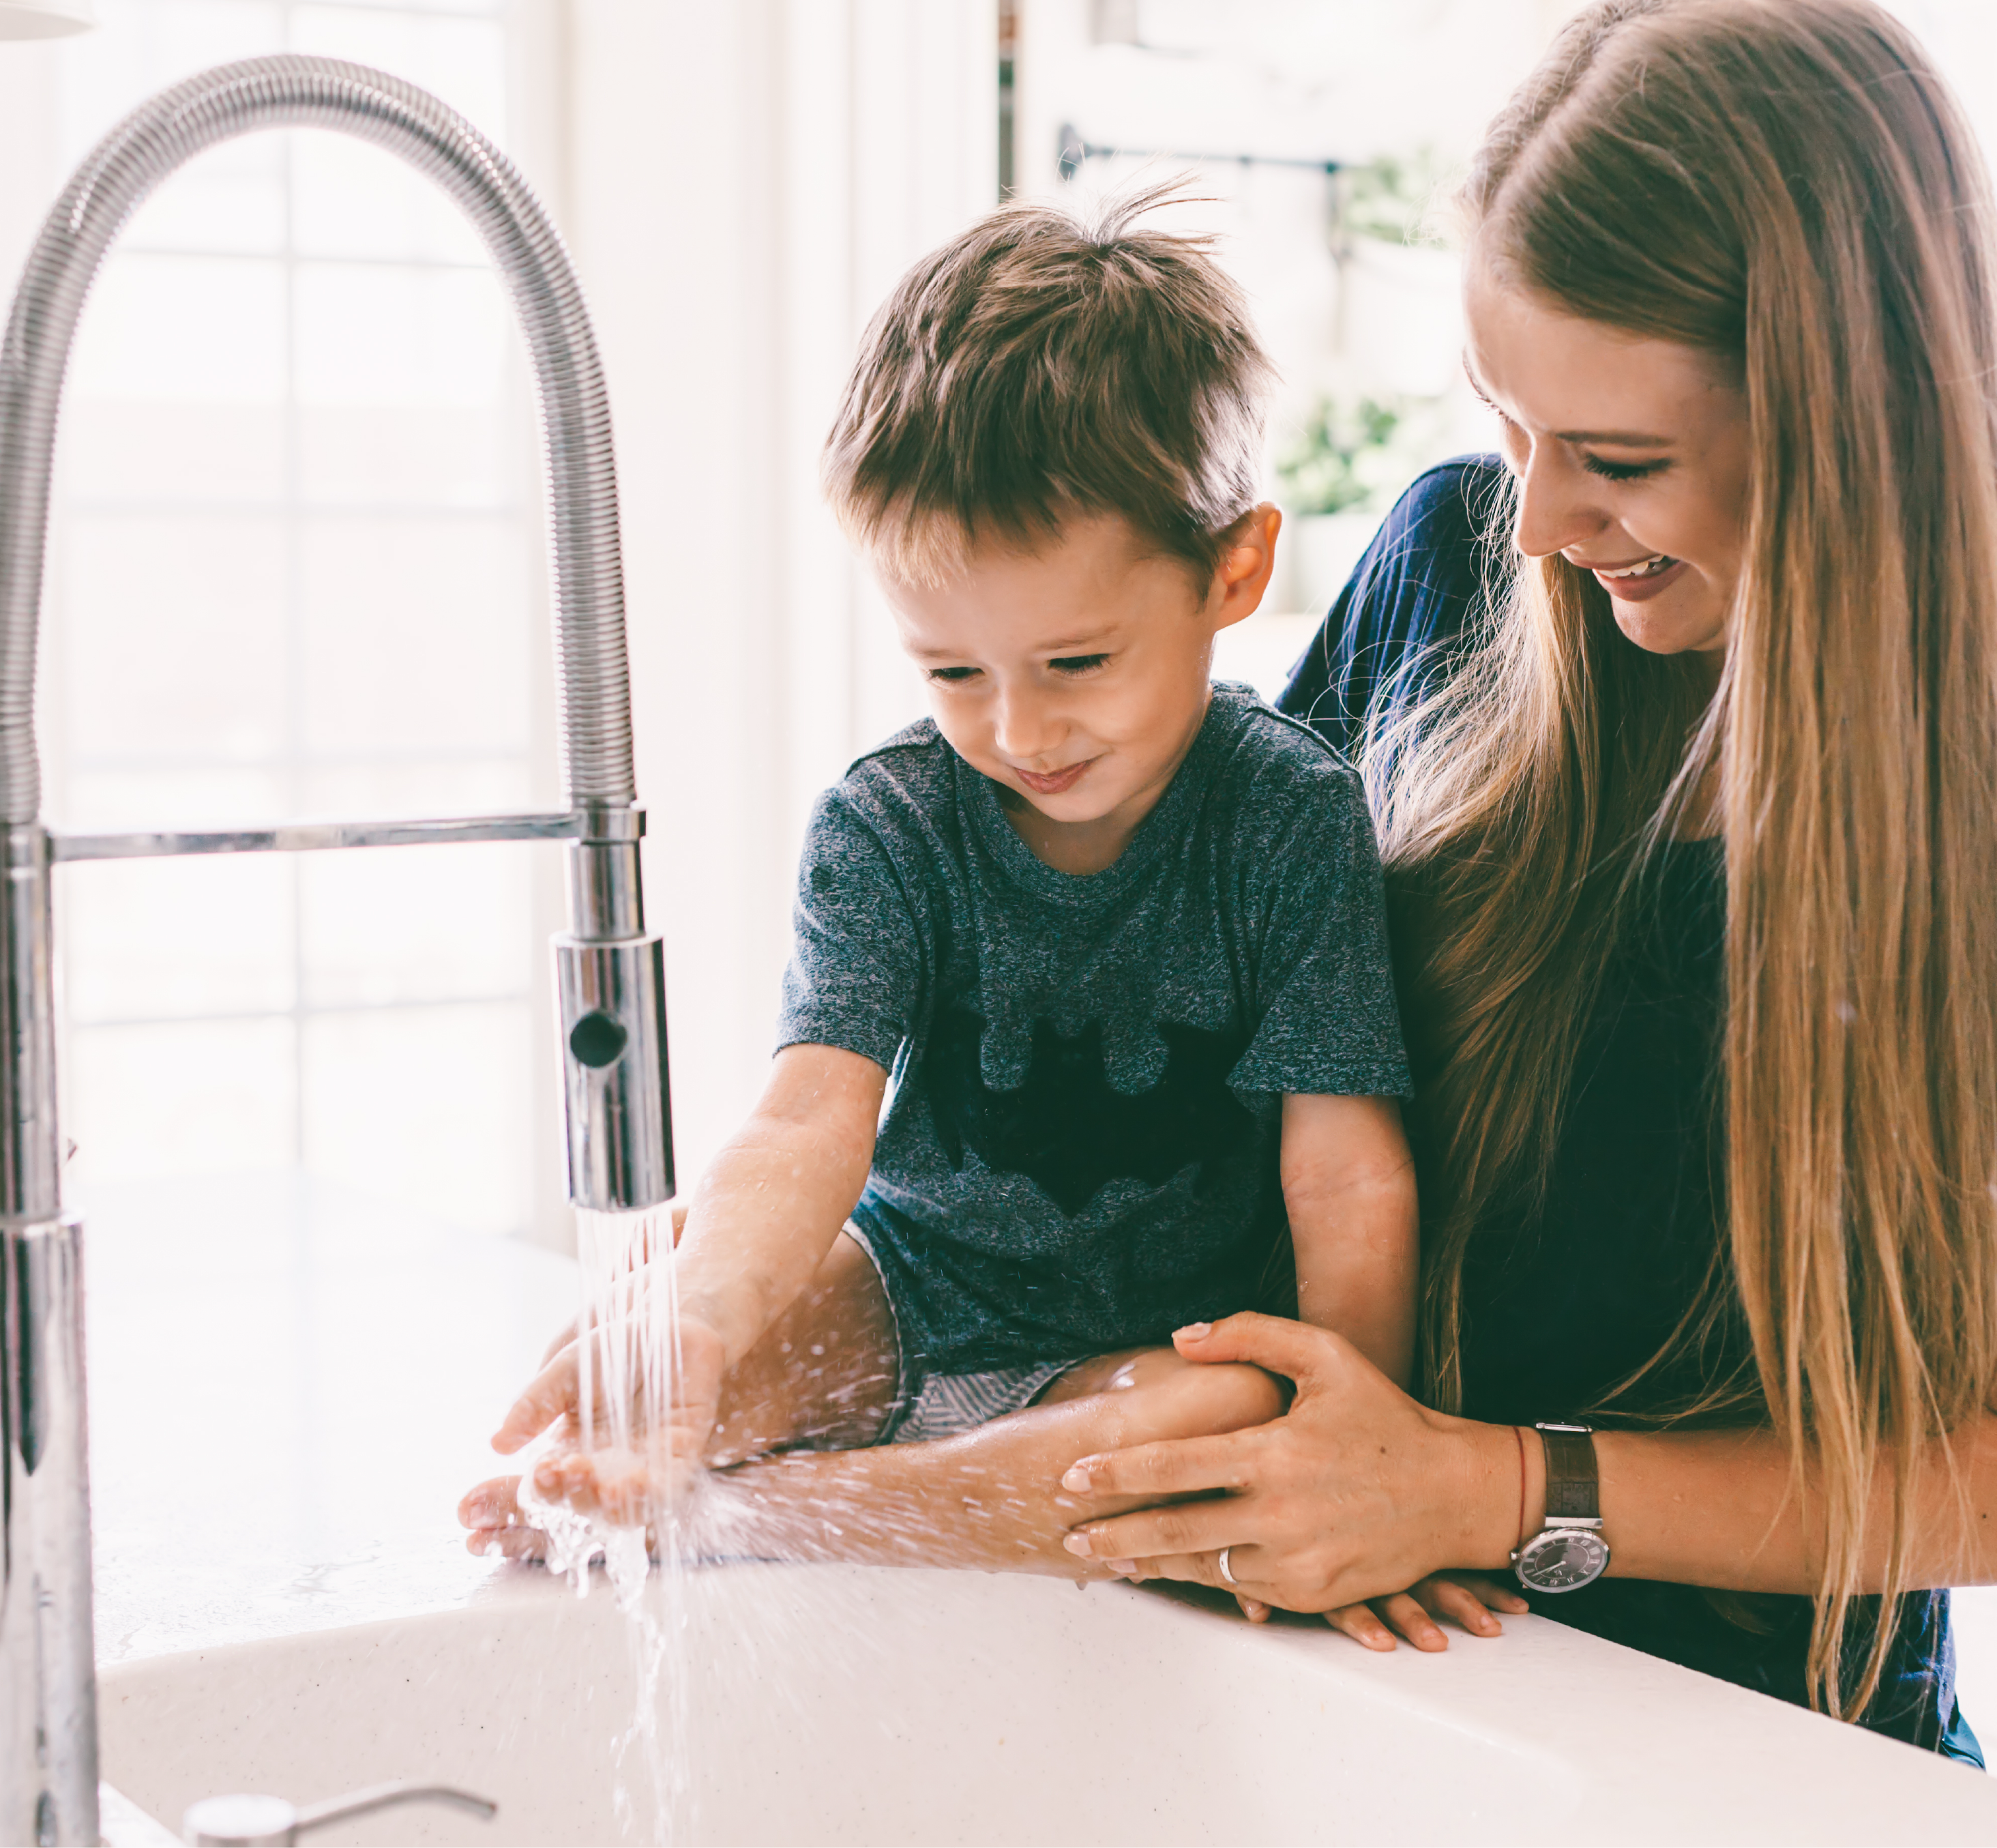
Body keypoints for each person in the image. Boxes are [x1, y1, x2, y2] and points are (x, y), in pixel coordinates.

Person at [1049, 0, 1997, 1760]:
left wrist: (1487, 1489)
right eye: (1512, 425)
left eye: (1620, 462)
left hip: (1768, 1758)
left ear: (1850, 428)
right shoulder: (1444, 572)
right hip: (1356, 1685)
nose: (1534, 519)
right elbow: (1181, 1055)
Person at [458, 194, 1419, 1575]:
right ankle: (634, 1470)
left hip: (1153, 1351)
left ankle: (782, 1515)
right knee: (662, 1327)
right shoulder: (889, 820)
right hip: (905, 1293)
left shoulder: (1288, 820)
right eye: (954, 672)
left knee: (1216, 1422)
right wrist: (703, 1318)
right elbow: (804, 1125)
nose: (1021, 733)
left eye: (1075, 663)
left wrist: (1358, 1443)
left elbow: (1345, 1172)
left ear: (1234, 569)